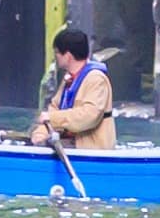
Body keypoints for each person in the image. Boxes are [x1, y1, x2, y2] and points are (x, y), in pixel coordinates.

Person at [33, 25, 117, 153]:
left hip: (91, 148)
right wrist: (41, 133)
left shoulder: (96, 79)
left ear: (67, 55)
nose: (55, 57)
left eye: (57, 52)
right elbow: (54, 108)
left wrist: (52, 118)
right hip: (69, 142)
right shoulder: (69, 79)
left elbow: (89, 117)